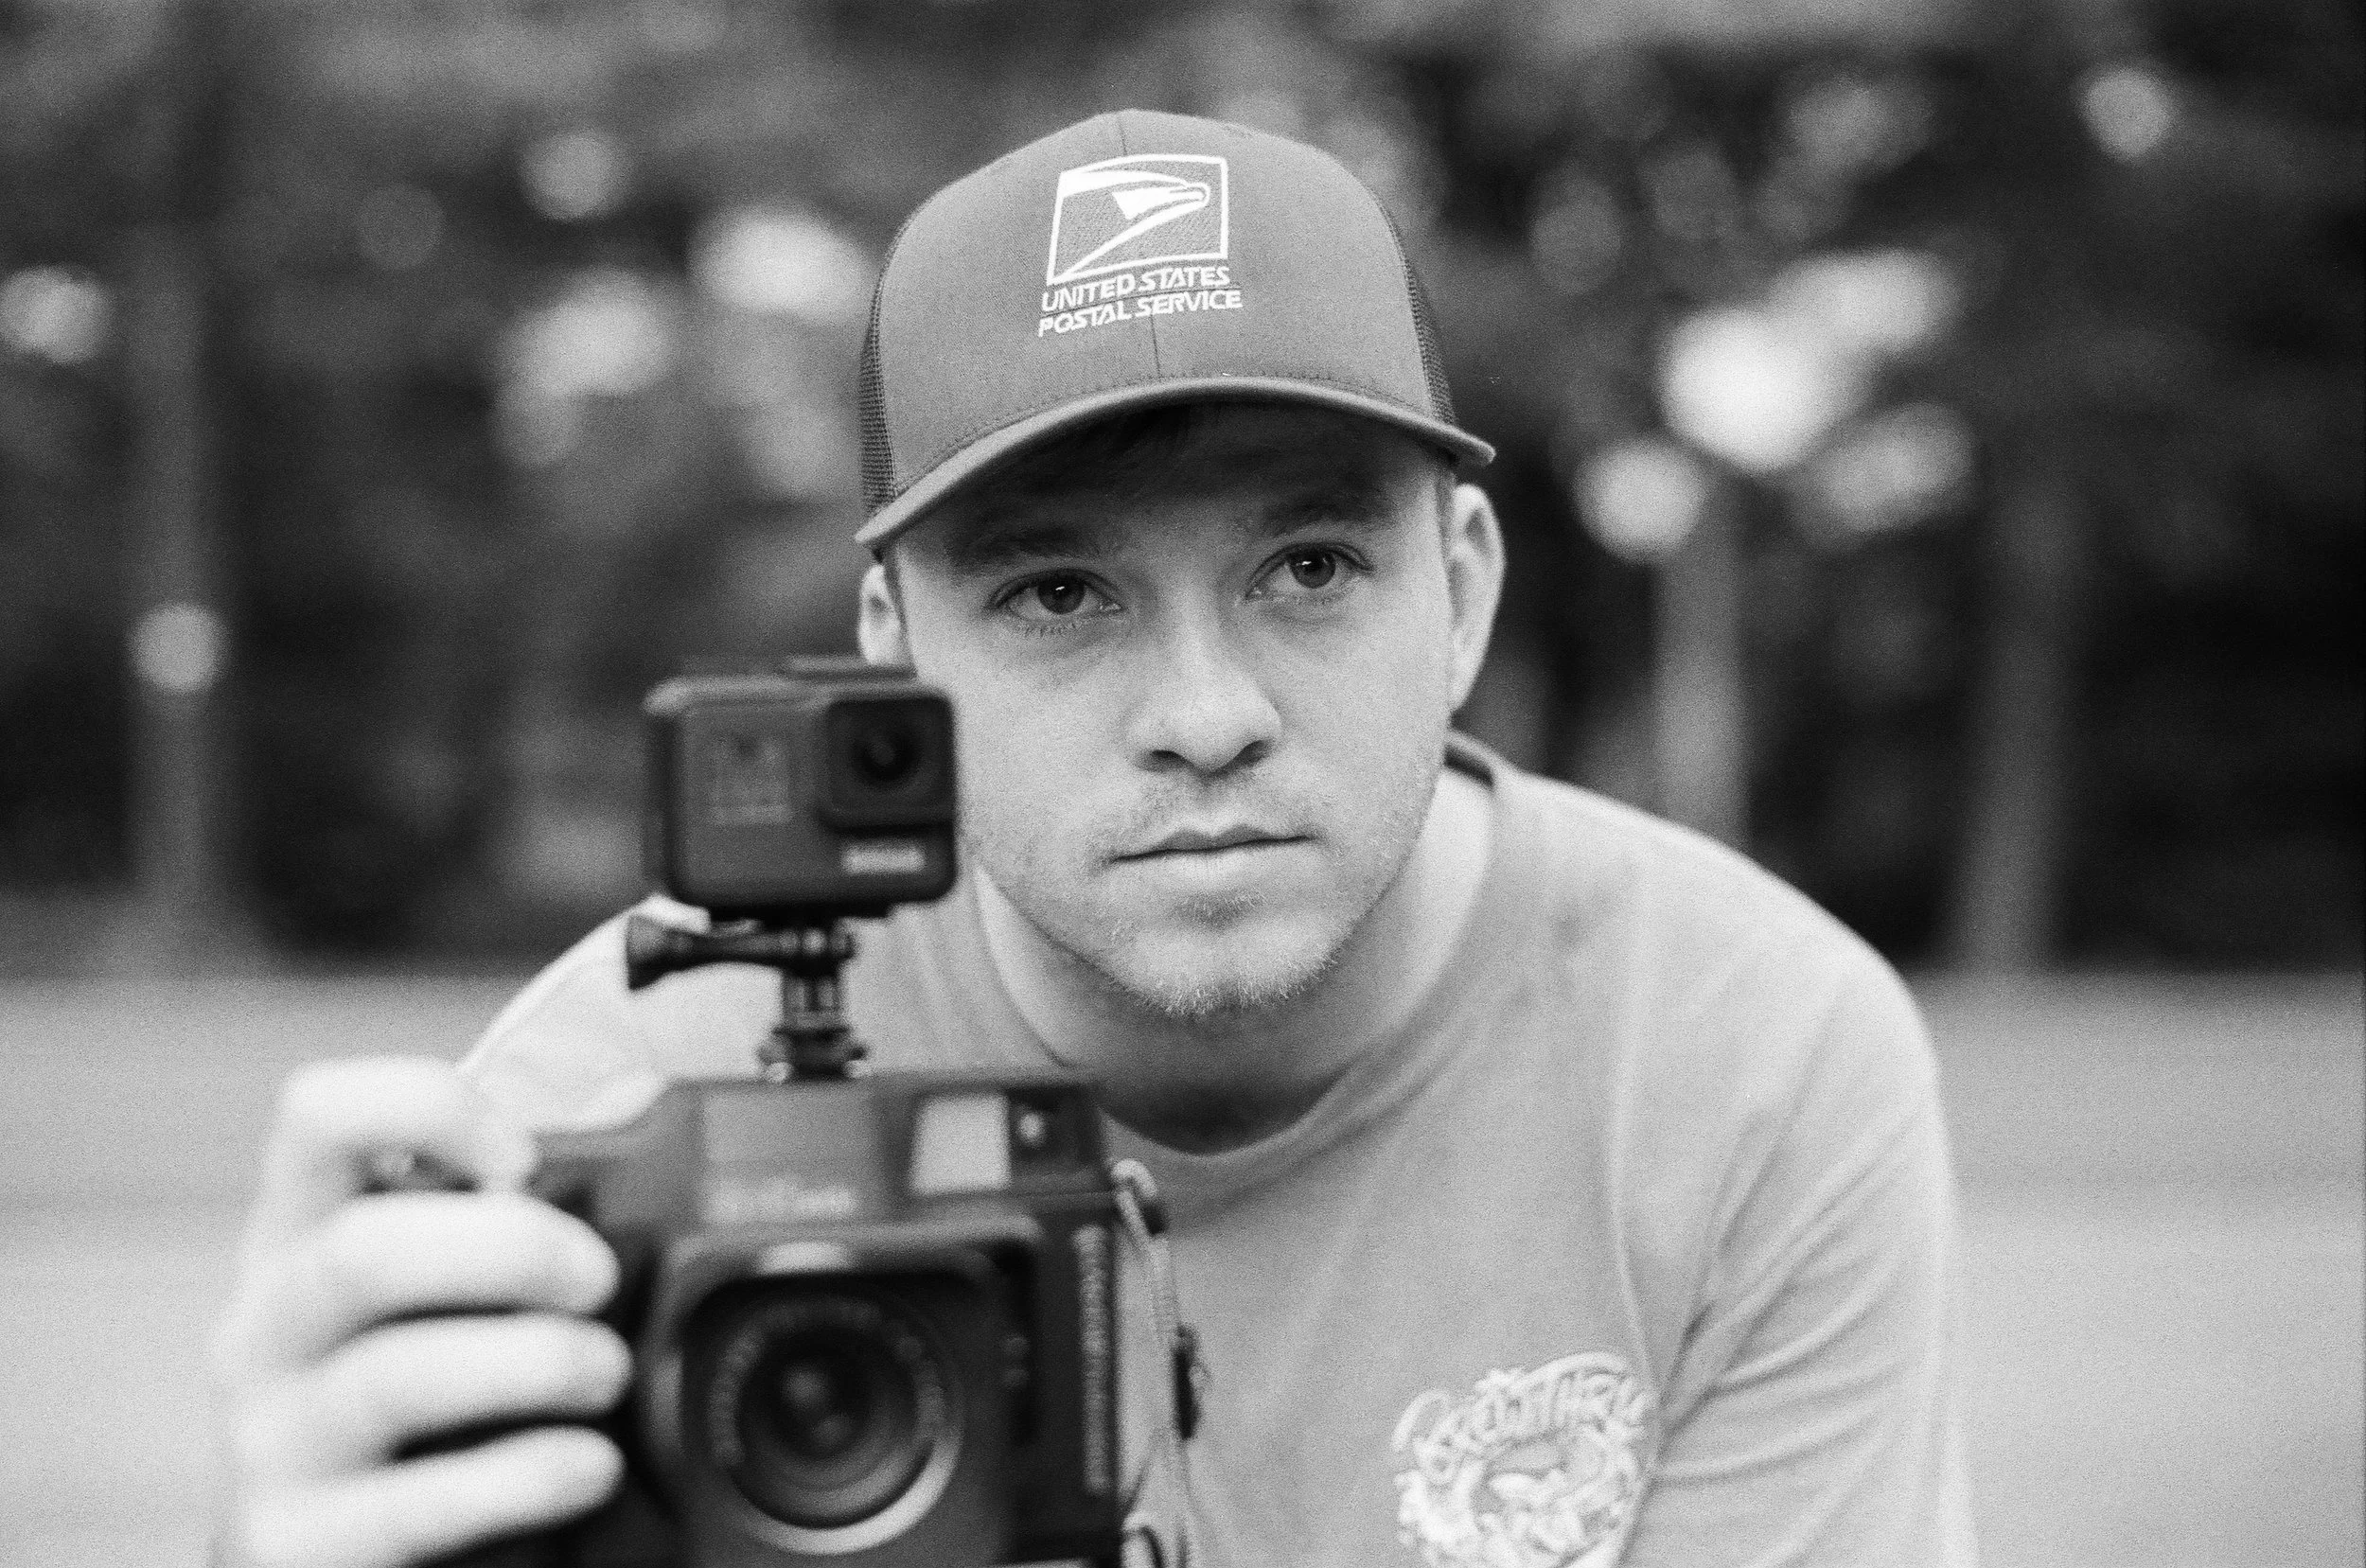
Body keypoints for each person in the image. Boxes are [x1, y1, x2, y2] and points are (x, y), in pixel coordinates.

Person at [211, 110, 1976, 1568]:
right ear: (896, 650)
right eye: (1060, 591)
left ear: (1460, 590)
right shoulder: (634, 1111)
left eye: (1309, 568)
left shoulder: (1741, 1064)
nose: (1205, 712)